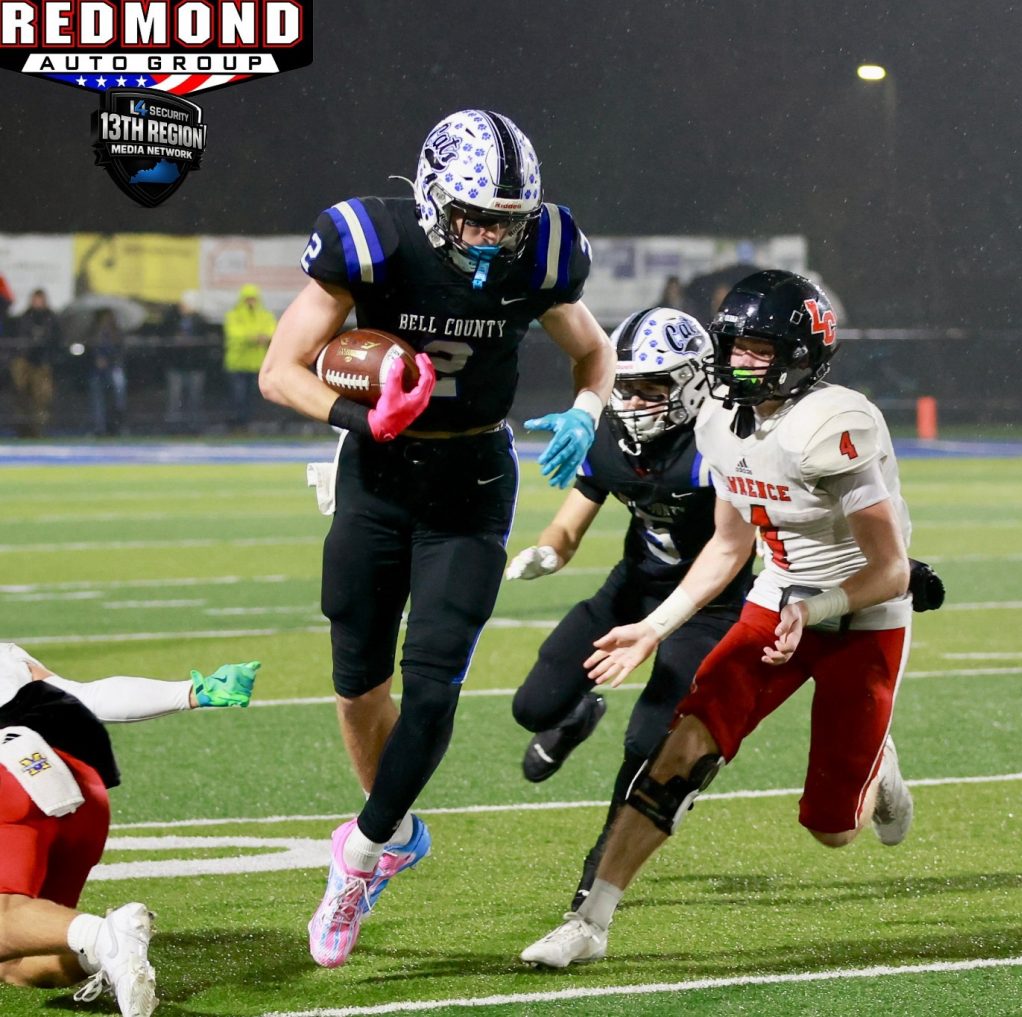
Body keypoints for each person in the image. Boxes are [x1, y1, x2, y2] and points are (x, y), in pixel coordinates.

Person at [259, 108, 615, 968]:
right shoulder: (372, 242)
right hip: (378, 475)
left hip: (472, 482)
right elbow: (279, 370)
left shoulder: (545, 251)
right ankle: (397, 830)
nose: (493, 236)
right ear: (430, 197)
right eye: (476, 216)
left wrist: (585, 409)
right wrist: (360, 416)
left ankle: (359, 854)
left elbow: (594, 353)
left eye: (507, 219)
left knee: (432, 688)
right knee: (357, 684)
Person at [520, 269, 931, 968]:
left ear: (800, 354)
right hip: (776, 597)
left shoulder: (835, 424)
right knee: (681, 750)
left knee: (832, 828)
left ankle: (878, 766)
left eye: (758, 349)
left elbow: (891, 570)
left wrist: (817, 606)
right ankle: (590, 921)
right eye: (733, 344)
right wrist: (654, 627)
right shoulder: (716, 418)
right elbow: (728, 545)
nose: (739, 360)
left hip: (860, 614)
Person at [508, 307, 753, 912]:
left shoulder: (722, 443)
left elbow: (730, 548)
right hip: (632, 589)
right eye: (627, 384)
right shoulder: (610, 437)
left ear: (694, 381)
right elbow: (569, 526)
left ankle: (603, 862)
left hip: (708, 606)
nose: (635, 401)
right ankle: (575, 715)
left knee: (649, 742)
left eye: (653, 386)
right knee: (531, 707)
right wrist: (546, 552)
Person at [0, 642, 259, 1016]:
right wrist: (189, 692)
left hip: (12, 784)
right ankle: (109, 955)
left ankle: (107, 937)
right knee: (17, 956)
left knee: (6, 919)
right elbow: (90, 696)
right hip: (79, 788)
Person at [10, 289, 62, 437]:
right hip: (25, 360)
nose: (37, 303)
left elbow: (56, 339)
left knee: (42, 398)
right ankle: (23, 429)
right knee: (22, 395)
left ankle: (38, 430)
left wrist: (45, 348)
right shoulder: (25, 317)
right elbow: (19, 339)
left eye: (40, 300)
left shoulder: (51, 318)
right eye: (35, 300)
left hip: (42, 363)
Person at [223, 284, 276, 430]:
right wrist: (255, 337)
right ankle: (237, 423)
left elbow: (272, 331)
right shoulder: (234, 315)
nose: (251, 302)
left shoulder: (264, 315)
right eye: (248, 299)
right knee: (237, 397)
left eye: (253, 299)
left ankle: (247, 423)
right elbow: (235, 334)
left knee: (251, 397)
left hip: (256, 363)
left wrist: (259, 337)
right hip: (237, 363)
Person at [162, 292, 211, 433]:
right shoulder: (172, 319)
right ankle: (173, 427)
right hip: (176, 364)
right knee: (174, 398)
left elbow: (205, 341)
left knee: (195, 397)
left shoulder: (200, 321)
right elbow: (165, 336)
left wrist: (193, 343)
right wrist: (176, 340)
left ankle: (194, 427)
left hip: (195, 365)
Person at [86, 308, 127, 436]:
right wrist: (96, 359)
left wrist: (108, 360)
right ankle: (100, 427)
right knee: (98, 401)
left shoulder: (116, 334)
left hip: (113, 369)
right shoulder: (93, 334)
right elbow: (88, 351)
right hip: (97, 371)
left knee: (117, 400)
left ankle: (116, 426)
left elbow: (120, 351)